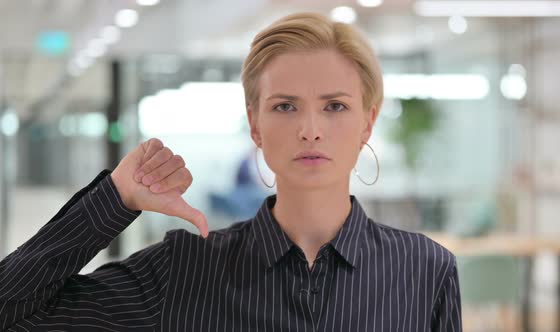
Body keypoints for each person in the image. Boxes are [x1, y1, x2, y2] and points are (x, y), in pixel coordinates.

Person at [0, 12, 462, 331]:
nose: (310, 130)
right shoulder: (184, 270)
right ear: (256, 124)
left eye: (335, 106)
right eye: (285, 106)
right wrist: (114, 199)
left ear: (368, 121)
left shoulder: (424, 270)